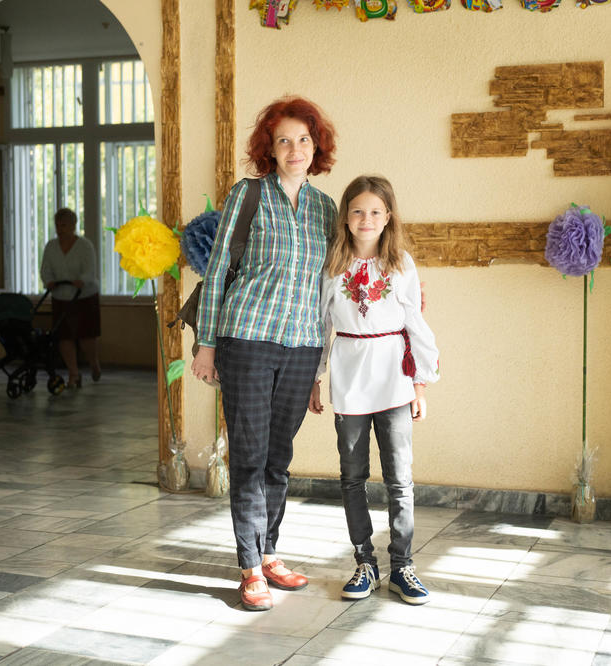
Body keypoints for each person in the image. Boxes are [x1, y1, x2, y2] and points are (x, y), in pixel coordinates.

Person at [189, 96, 338, 612]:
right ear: (269, 149)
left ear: (315, 145)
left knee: (279, 456)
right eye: (283, 140)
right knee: (250, 457)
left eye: (303, 139)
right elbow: (215, 274)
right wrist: (206, 345)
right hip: (247, 340)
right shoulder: (248, 195)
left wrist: (324, 368)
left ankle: (269, 551)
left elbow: (332, 285)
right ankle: (249, 566)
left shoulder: (325, 207)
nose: (295, 149)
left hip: (302, 346)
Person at [308, 175, 440, 605]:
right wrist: (316, 376)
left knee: (400, 479)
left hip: (394, 378)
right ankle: (364, 562)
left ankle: (403, 566)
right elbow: (321, 325)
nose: (366, 219)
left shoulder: (400, 263)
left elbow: (415, 326)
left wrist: (420, 383)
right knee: (352, 476)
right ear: (346, 217)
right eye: (358, 211)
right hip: (350, 376)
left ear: (388, 218)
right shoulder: (332, 265)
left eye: (376, 212)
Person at [40, 207, 101, 388]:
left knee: (86, 336)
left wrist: (81, 280)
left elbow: (90, 270)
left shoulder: (85, 246)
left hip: (83, 296)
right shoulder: (51, 247)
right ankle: (74, 374)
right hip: (60, 295)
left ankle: (93, 363)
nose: (60, 228)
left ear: (73, 225)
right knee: (64, 337)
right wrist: (49, 281)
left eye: (64, 225)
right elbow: (45, 269)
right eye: (58, 225)